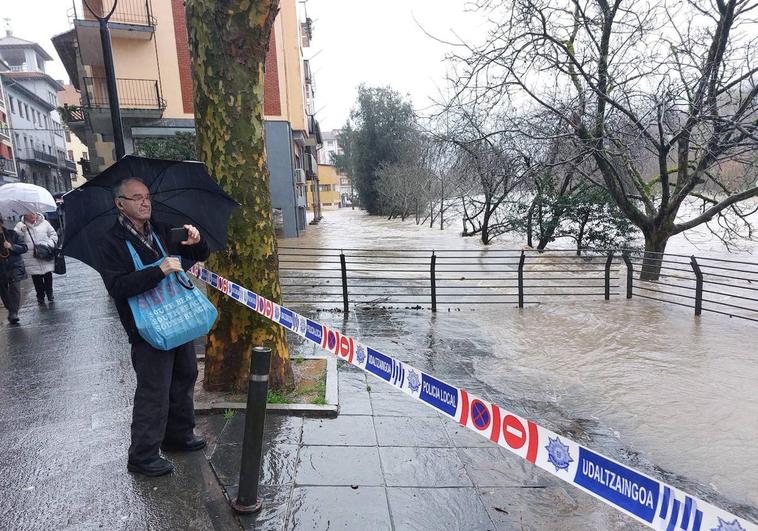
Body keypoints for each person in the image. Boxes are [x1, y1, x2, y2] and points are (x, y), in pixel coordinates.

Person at [98, 177, 210, 477]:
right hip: (146, 329)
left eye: (147, 196)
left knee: (185, 376)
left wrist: (198, 244)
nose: (145, 202)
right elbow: (117, 286)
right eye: (137, 197)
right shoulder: (111, 241)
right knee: (154, 390)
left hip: (177, 319)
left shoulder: (161, 230)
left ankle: (179, 436)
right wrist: (157, 271)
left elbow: (195, 256)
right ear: (120, 203)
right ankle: (143, 455)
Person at [15, 212, 59, 304]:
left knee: (48, 275)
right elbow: (16, 238)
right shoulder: (20, 225)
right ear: (25, 215)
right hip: (31, 256)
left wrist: (49, 244)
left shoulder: (44, 223)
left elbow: (53, 235)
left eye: (34, 214)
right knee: (36, 278)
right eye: (29, 214)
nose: (32, 216)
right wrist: (21, 230)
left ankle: (50, 293)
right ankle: (40, 296)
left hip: (45, 253)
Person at [1, 214, 28, 324]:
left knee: (15, 288)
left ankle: (13, 313)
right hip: (1, 268)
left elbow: (24, 247)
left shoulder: (12, 234)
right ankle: (10, 308)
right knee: (3, 291)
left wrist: (11, 246)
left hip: (15, 265)